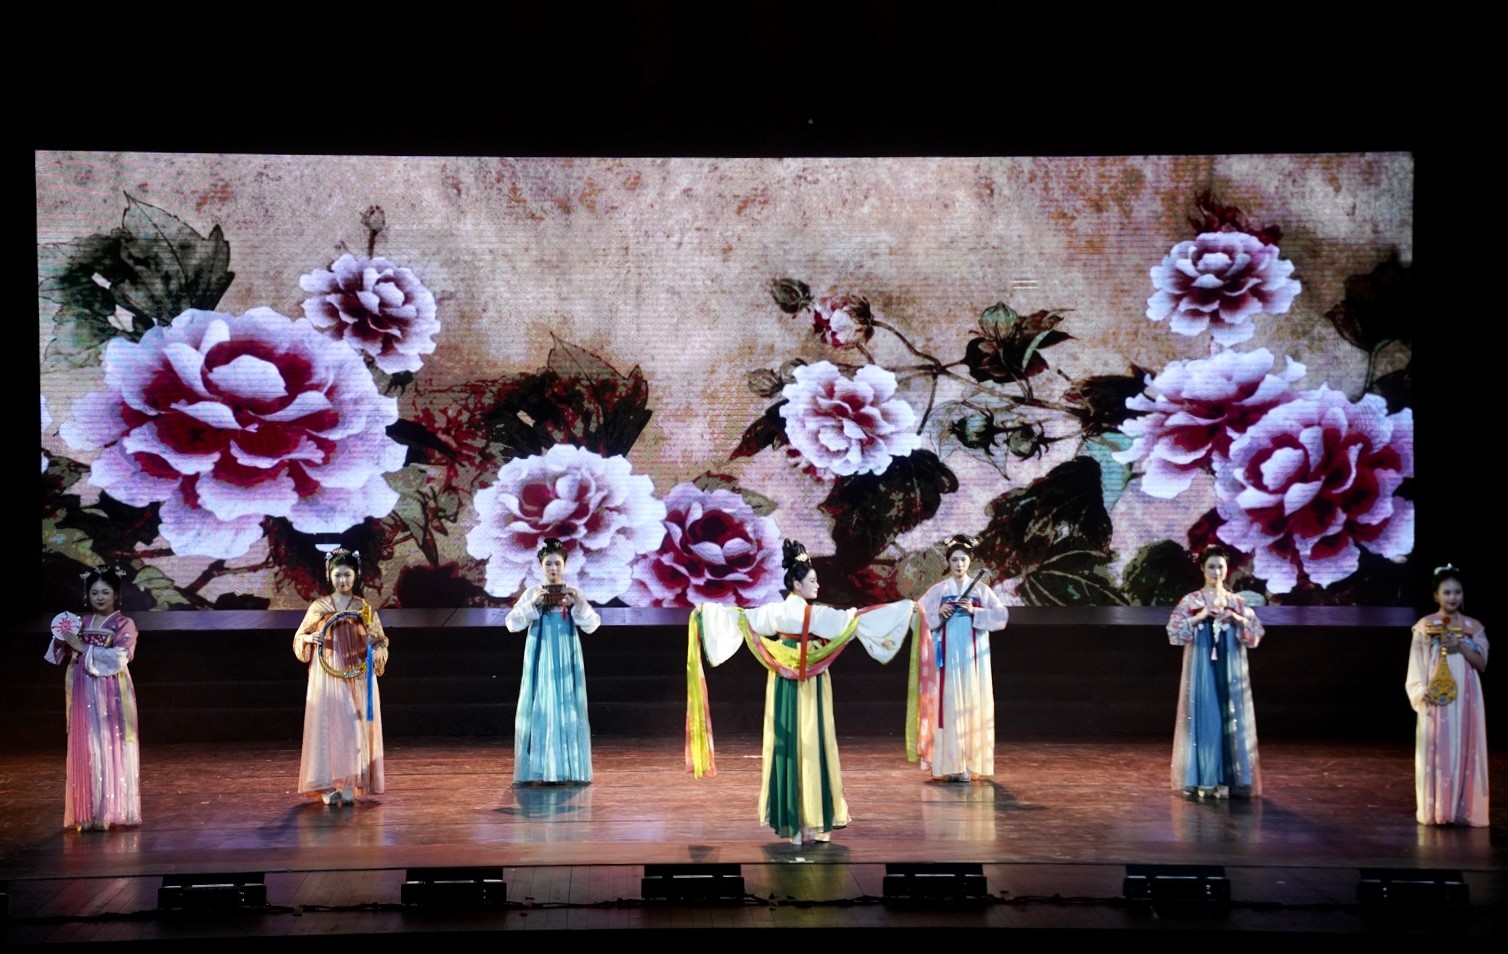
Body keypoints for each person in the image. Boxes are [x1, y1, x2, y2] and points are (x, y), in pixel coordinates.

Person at [686, 540, 917, 845]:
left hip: (782, 682)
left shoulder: (775, 612)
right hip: (813, 682)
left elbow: (740, 618)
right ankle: (816, 823)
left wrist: (704, 612)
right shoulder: (818, 616)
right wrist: (906, 609)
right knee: (813, 742)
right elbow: (855, 619)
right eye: (812, 580)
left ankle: (793, 825)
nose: (817, 585)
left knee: (787, 745)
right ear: (796, 584)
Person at [45, 566, 141, 831]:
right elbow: (59, 654)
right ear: (87, 595)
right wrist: (61, 641)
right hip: (82, 687)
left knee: (108, 745)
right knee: (85, 745)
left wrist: (83, 648)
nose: (100, 597)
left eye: (105, 592)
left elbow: (120, 658)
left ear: (116, 595)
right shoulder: (81, 622)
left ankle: (107, 812)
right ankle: (84, 813)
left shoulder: (124, 624)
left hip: (110, 691)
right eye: (95, 592)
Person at [1166, 544, 1264, 798]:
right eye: (1211, 566)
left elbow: (1255, 633)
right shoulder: (1192, 601)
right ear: (1202, 568)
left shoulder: (1236, 602)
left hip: (1230, 667)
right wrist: (1200, 617)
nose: (1216, 572)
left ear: (1227, 569)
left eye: (1220, 567)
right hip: (1202, 667)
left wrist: (1236, 619)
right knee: (1206, 716)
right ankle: (1203, 777)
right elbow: (1174, 632)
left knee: (1231, 716)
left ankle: (1229, 778)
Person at [911, 533, 1010, 781]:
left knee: (970, 705)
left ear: (970, 562)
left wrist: (974, 611)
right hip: (946, 659)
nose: (959, 564)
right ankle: (947, 765)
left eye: (963, 560)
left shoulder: (981, 590)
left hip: (972, 659)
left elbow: (1001, 616)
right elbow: (916, 616)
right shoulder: (939, 590)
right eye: (954, 560)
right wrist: (937, 612)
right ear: (948, 562)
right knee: (948, 705)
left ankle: (966, 764)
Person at [293, 548, 388, 805]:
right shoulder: (319, 607)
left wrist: (374, 651)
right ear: (329, 576)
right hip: (328, 673)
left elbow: (380, 641)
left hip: (356, 672)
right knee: (329, 727)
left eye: (347, 575)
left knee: (353, 727)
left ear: (355, 575)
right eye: (338, 575)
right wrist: (310, 639)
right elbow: (299, 637)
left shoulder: (363, 608)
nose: (342, 580)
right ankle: (328, 784)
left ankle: (349, 783)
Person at [504, 537, 602, 784]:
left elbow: (592, 625)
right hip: (541, 655)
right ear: (541, 566)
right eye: (548, 564)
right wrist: (533, 604)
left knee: (568, 706)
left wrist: (579, 604)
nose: (553, 568)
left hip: (566, 657)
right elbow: (511, 624)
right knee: (542, 706)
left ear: (565, 565)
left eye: (557, 563)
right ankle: (542, 769)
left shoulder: (573, 593)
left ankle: (568, 769)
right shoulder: (532, 593)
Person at [1406, 565, 1488, 826]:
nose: (1452, 597)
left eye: (1457, 592)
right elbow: (1416, 664)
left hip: (1466, 697)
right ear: (1436, 596)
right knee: (1438, 750)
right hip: (1436, 695)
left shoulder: (1472, 627)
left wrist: (1460, 645)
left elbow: (1481, 663)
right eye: (1447, 592)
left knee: (1465, 746)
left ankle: (1464, 809)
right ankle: (1439, 809)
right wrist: (1421, 690)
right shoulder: (1426, 626)